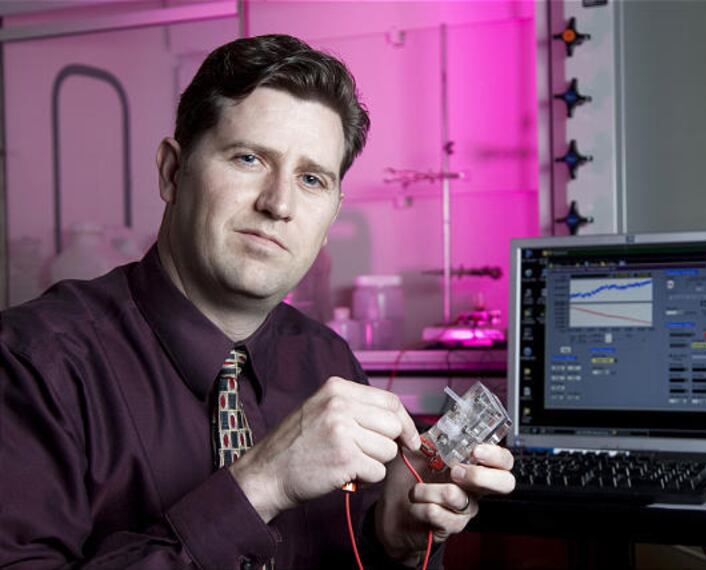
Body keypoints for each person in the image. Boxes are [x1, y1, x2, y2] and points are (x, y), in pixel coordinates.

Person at [0, 34, 515, 569]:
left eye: (311, 179)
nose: (279, 204)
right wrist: (261, 483)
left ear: (333, 211)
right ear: (172, 173)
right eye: (249, 158)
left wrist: (392, 540)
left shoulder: (328, 362)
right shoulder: (33, 365)